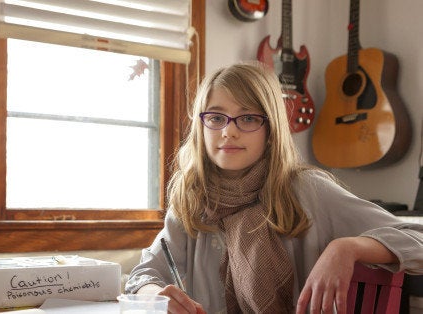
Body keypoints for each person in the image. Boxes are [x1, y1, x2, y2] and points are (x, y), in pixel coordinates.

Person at [124, 61, 423, 314]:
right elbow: (143, 275)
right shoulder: (193, 198)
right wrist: (155, 296)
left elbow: (417, 238)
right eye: (215, 118)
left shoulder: (307, 190)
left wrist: (346, 248)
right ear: (201, 127)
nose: (229, 131)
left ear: (270, 130)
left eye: (248, 118)